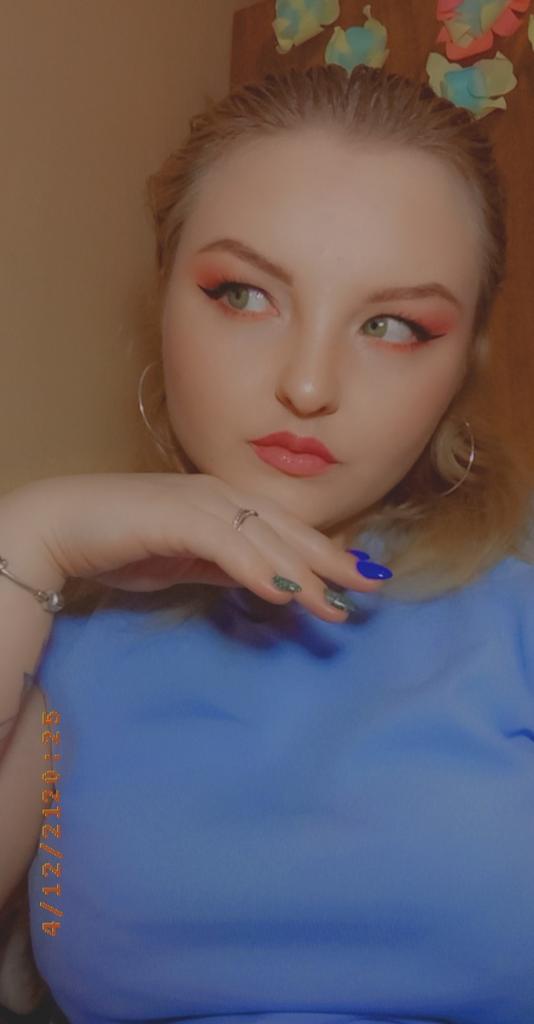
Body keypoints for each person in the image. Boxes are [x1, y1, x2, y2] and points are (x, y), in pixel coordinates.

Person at [0, 63, 533, 1024]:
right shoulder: (48, 646)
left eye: (392, 324)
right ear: (163, 301)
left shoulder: (518, 625)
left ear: (463, 365)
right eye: (244, 295)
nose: (309, 384)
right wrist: (28, 537)